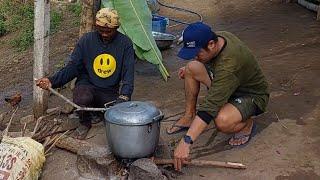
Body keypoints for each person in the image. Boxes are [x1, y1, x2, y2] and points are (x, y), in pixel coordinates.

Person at [168, 22, 269, 171]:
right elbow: (209, 62)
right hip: (229, 84)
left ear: (210, 44)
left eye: (197, 52)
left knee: (222, 121)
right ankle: (189, 116)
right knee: (191, 68)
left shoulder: (230, 63)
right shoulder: (219, 38)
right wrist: (195, 61)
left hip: (251, 95)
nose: (195, 56)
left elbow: (209, 108)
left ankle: (247, 124)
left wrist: (186, 142)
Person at [36, 8, 135, 139]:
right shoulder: (86, 40)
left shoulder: (125, 43)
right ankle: (84, 123)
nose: (104, 34)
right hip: (88, 84)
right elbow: (73, 67)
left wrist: (125, 95)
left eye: (109, 31)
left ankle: (97, 112)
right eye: (101, 30)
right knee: (82, 98)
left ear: (116, 28)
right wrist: (52, 80)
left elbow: (129, 71)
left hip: (109, 89)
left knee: (119, 111)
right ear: (96, 26)